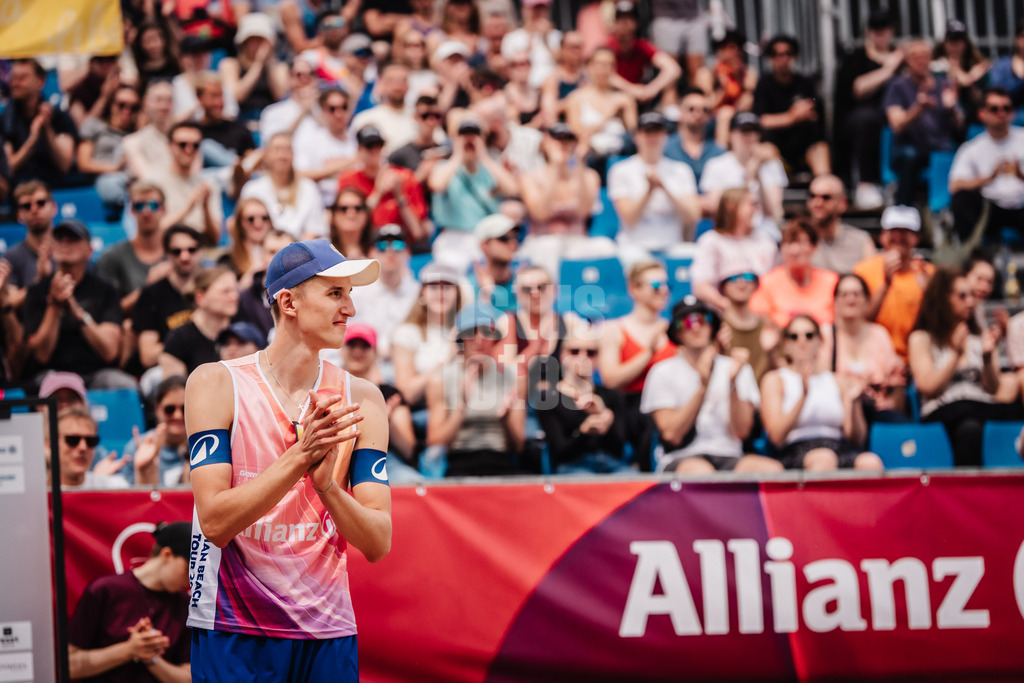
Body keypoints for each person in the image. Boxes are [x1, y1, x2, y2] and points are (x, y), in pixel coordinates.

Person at [186, 238, 390, 680]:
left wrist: (328, 487)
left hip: (327, 630)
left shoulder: (364, 398)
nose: (350, 309)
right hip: (234, 625)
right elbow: (216, 522)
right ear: (289, 301)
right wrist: (302, 456)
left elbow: (378, 542)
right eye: (336, 292)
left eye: (350, 294)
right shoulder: (215, 383)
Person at [642, 298, 783, 474]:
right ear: (676, 332)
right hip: (681, 457)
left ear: (713, 326)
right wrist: (702, 388)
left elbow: (741, 432)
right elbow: (672, 435)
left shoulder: (737, 367)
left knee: (773, 470)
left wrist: (732, 384)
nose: (695, 326)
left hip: (730, 455)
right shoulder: (662, 372)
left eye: (702, 319)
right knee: (702, 474)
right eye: (686, 321)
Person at [909, 267, 1021, 467]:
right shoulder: (921, 338)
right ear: (943, 298)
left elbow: (993, 389)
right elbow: (928, 387)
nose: (970, 301)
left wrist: (987, 357)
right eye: (962, 296)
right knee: (969, 426)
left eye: (971, 295)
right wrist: (955, 353)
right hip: (944, 410)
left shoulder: (980, 337)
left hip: (980, 407)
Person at [68, 521, 191, 679]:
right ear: (167, 555)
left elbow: (189, 677)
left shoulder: (185, 605)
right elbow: (69, 665)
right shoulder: (105, 591)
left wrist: (151, 658)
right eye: (190, 568)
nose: (192, 579)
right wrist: (129, 650)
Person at [760, 314, 883, 472]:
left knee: (871, 462)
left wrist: (854, 404)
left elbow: (857, 439)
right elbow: (776, 436)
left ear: (820, 341)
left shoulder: (838, 381)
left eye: (809, 335)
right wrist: (803, 396)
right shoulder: (775, 379)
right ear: (786, 344)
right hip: (795, 450)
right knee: (824, 459)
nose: (802, 341)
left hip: (837, 446)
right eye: (794, 336)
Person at [23, 219, 136, 389]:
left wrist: (78, 313)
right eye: (59, 239)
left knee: (125, 385)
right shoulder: (37, 291)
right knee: (38, 385)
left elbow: (109, 352)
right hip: (52, 374)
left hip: (95, 374)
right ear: (52, 249)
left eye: (73, 239)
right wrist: (54, 306)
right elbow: (41, 356)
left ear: (89, 250)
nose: (65, 244)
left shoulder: (106, 289)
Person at [426, 301, 525, 477]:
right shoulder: (441, 379)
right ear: (462, 339)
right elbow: (435, 439)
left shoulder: (512, 376)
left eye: (486, 332)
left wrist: (505, 418)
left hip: (501, 460)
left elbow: (518, 446)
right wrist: (461, 406)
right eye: (472, 332)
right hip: (460, 460)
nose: (479, 339)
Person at [598, 261, 676, 468]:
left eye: (667, 285)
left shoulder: (674, 329)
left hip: (671, 407)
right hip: (632, 409)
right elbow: (611, 379)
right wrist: (648, 353)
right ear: (635, 289)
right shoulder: (614, 329)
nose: (664, 291)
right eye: (656, 285)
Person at [533, 318, 631, 474]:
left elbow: (619, 449)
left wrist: (602, 414)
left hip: (613, 465)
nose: (583, 357)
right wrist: (584, 432)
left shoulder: (612, 396)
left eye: (591, 353)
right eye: (575, 351)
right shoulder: (549, 399)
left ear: (598, 358)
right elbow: (560, 453)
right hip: (573, 467)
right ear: (562, 355)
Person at [518, 123, 615, 278]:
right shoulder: (529, 177)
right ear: (545, 144)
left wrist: (579, 162)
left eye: (569, 140)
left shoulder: (588, 176)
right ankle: (548, 297)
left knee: (606, 246)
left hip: (577, 241)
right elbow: (540, 213)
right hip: (540, 242)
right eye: (558, 140)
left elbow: (584, 211)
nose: (564, 144)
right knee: (550, 247)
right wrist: (556, 167)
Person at [608, 111, 701, 261]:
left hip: (672, 245)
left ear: (665, 136)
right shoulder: (620, 170)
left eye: (657, 132)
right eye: (647, 132)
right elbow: (629, 219)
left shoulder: (681, 170)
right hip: (634, 246)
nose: (652, 137)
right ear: (636, 136)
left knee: (695, 254)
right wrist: (649, 191)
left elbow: (692, 217)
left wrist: (665, 188)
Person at [429, 116, 518, 269]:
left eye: (474, 135)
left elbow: (512, 189)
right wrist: (458, 153)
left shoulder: (490, 168)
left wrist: (483, 155)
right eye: (463, 135)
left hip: (485, 238)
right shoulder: (444, 166)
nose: (469, 139)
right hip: (453, 239)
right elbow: (437, 184)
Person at [834, 8, 901, 208]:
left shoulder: (901, 56)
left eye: (883, 28)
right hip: (861, 121)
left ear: (892, 30)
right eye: (874, 28)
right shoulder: (857, 56)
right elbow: (858, 89)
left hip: (897, 115)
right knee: (868, 120)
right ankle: (866, 183)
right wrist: (889, 69)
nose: (879, 32)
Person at [883, 39, 963, 206]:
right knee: (909, 156)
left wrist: (952, 109)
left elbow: (960, 126)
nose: (921, 61)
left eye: (925, 56)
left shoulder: (945, 85)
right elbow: (896, 125)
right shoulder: (897, 86)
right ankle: (903, 212)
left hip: (940, 148)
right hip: (910, 148)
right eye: (915, 57)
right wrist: (918, 109)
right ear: (907, 60)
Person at [853, 205, 934, 361]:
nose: (898, 237)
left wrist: (928, 293)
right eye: (892, 231)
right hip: (873, 357)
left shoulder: (929, 273)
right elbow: (858, 322)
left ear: (916, 238)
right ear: (882, 236)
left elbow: (938, 325)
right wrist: (886, 285)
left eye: (905, 232)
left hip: (917, 358)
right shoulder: (863, 270)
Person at [339, 322, 419, 480]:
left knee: (410, 480)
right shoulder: (329, 389)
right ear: (342, 350)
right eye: (352, 344)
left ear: (375, 352)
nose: (357, 351)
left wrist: (386, 422)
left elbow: (408, 449)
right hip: (337, 457)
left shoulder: (389, 394)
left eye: (365, 346)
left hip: (383, 460)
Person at [949, 87, 1024, 243]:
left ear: (1013, 112)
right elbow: (955, 186)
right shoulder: (972, 148)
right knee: (962, 199)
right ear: (982, 114)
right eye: (994, 109)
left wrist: (1020, 175)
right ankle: (973, 259)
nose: (1001, 113)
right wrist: (989, 177)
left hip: (1020, 204)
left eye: (1006, 108)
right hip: (989, 208)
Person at [831, 273, 907, 423]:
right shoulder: (825, 334)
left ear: (867, 301)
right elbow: (822, 378)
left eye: (856, 294)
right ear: (835, 302)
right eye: (844, 294)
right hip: (841, 411)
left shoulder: (879, 333)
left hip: (879, 408)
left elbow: (894, 377)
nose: (850, 299)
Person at [338, 125, 430, 247]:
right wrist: (377, 193)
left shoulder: (405, 177)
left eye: (379, 145)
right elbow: (349, 226)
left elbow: (417, 231)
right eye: (369, 146)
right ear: (359, 150)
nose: (375, 151)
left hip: (401, 246)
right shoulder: (349, 180)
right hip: (366, 246)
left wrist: (399, 195)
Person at [699, 112, 788, 238]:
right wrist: (749, 177)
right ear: (731, 135)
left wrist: (758, 176)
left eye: (753, 132)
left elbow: (773, 212)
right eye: (743, 131)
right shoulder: (716, 165)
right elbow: (718, 210)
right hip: (730, 234)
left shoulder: (773, 165)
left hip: (765, 234)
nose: (749, 137)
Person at [691, 188, 779, 311]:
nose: (756, 209)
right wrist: (731, 309)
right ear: (731, 207)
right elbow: (701, 287)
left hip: (762, 314)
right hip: (724, 315)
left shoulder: (765, 241)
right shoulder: (711, 241)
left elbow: (776, 282)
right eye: (751, 204)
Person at [752, 35, 829, 176]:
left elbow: (814, 114)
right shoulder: (764, 85)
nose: (783, 59)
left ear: (795, 56)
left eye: (788, 53)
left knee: (820, 148)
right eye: (778, 54)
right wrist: (792, 116)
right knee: (764, 150)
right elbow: (761, 120)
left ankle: (824, 190)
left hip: (804, 144)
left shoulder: (805, 83)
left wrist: (793, 116)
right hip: (776, 145)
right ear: (771, 58)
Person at [391, 262, 462, 407]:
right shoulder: (407, 333)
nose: (441, 292)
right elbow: (406, 393)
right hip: (424, 413)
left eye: (447, 286)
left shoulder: (462, 330)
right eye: (434, 286)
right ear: (422, 293)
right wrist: (446, 359)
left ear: (457, 294)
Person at [134, 225, 203, 371]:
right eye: (177, 251)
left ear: (201, 251)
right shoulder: (152, 294)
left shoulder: (214, 289)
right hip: (167, 367)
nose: (184, 257)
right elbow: (147, 356)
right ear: (167, 254)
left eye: (191, 250)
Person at [749, 218, 839, 329]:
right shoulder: (766, 282)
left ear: (814, 247)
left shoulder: (831, 281)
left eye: (801, 243)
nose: (794, 250)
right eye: (789, 243)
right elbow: (759, 322)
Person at [97, 182, 171, 315]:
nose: (146, 212)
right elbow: (108, 313)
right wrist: (148, 286)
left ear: (164, 209)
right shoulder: (112, 257)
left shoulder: (180, 252)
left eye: (153, 205)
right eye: (139, 206)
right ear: (131, 210)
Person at [349, 225, 419, 362]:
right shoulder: (357, 293)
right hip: (366, 363)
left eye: (398, 245)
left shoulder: (418, 293)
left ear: (407, 253)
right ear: (371, 253)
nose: (390, 251)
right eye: (382, 246)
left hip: (408, 363)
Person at [1, 59, 76, 186]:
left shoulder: (60, 118)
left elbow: (64, 165)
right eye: (13, 78)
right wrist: (33, 139)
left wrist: (47, 130)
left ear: (40, 81)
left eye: (22, 78)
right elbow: (8, 168)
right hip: (20, 191)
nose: (15, 83)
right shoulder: (5, 120)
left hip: (54, 188)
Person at [144, 121, 222, 245]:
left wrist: (205, 207)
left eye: (195, 145)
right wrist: (187, 209)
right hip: (167, 250)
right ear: (169, 146)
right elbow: (152, 233)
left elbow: (214, 239)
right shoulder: (153, 182)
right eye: (182, 144)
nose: (189, 150)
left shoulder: (208, 185)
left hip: (200, 251)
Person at [240, 133, 328, 240]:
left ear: (293, 155)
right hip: (261, 252)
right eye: (277, 149)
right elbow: (245, 229)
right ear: (266, 154)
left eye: (287, 150)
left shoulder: (308, 188)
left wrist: (293, 254)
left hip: (300, 252)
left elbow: (314, 230)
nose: (282, 155)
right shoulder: (252, 189)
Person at [160, 266, 238, 378]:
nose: (234, 297)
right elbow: (174, 390)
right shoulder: (179, 339)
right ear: (200, 297)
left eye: (235, 290)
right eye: (225, 292)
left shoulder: (242, 331)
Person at [76, 84, 140, 215]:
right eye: (122, 105)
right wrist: (115, 167)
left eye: (134, 107)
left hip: (133, 179)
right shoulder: (94, 125)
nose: (127, 111)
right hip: (107, 177)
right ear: (112, 105)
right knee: (112, 184)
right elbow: (83, 163)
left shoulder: (138, 135)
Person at [565, 47, 637, 161]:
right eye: (601, 64)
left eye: (610, 65)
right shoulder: (576, 98)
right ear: (590, 66)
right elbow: (577, 136)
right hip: (590, 157)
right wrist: (607, 116)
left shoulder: (624, 100)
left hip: (619, 156)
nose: (605, 69)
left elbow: (635, 137)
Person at [605, 1, 682, 105]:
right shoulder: (608, 47)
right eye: (620, 19)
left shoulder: (642, 46)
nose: (624, 23)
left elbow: (673, 69)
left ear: (635, 23)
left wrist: (652, 89)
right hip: (616, 96)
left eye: (628, 19)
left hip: (643, 96)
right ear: (614, 23)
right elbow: (603, 74)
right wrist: (632, 89)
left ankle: (669, 117)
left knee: (670, 88)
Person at [122, 375, 191, 487]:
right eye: (170, 409)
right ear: (157, 408)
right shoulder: (136, 447)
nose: (178, 415)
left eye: (184, 409)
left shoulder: (202, 447)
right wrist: (145, 470)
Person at [293, 87, 359, 206]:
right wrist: (348, 163)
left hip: (354, 205)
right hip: (321, 204)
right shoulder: (311, 140)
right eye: (332, 109)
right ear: (323, 111)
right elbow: (299, 175)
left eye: (344, 107)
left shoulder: (359, 139)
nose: (339, 114)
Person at [220, 12, 289, 123]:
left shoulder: (279, 67)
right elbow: (236, 97)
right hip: (241, 121)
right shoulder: (230, 64)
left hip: (272, 121)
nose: (258, 44)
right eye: (253, 39)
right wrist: (258, 64)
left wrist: (268, 63)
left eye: (262, 40)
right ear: (244, 42)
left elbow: (281, 96)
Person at [806, 174, 876, 273]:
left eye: (826, 197)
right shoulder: (799, 241)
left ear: (842, 203)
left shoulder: (861, 241)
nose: (817, 202)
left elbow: (872, 281)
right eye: (812, 196)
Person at [718, 269, 778, 384]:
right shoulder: (714, 327)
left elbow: (783, 374)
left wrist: (770, 353)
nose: (741, 283)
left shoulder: (769, 325)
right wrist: (719, 351)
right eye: (733, 278)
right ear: (723, 286)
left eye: (748, 276)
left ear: (756, 284)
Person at [3, 180, 56, 310]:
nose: (34, 209)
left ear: (54, 208)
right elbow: (9, 303)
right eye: (26, 206)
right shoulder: (11, 257)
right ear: (19, 215)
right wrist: (40, 280)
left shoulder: (69, 248)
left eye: (41, 203)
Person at [350, 62, 418, 154]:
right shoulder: (365, 119)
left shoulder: (421, 117)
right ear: (382, 83)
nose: (397, 86)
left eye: (402, 81)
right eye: (391, 81)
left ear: (409, 85)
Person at [54, 407, 130, 489]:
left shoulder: (115, 487)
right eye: (73, 440)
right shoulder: (39, 489)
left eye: (90, 441)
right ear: (49, 444)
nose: (83, 447)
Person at [933, 19, 990, 126]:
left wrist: (971, 84)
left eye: (959, 40)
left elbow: (983, 99)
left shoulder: (977, 66)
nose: (955, 45)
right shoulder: (936, 67)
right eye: (951, 41)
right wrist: (969, 77)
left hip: (973, 121)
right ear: (944, 43)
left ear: (966, 43)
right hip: (943, 124)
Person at [664, 87, 726, 186]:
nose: (698, 114)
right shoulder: (665, 148)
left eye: (704, 110)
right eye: (691, 109)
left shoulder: (718, 152)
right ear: (680, 112)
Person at [709, 30, 757, 148]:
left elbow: (747, 101)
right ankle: (721, 153)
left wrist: (737, 78)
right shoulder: (709, 73)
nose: (733, 51)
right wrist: (725, 87)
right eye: (728, 47)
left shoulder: (748, 73)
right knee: (725, 113)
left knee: (747, 98)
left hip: (738, 115)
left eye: (737, 47)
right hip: (714, 118)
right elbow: (709, 105)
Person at [123, 81, 176, 183]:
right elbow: (147, 179)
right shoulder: (131, 142)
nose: (164, 106)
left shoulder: (188, 139)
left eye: (169, 100)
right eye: (158, 100)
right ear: (145, 103)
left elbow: (193, 176)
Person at [470, 214, 520, 313]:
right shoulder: (469, 287)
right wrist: (485, 295)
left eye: (515, 237)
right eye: (503, 238)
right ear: (484, 245)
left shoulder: (522, 283)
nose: (512, 242)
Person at [222, 197, 274, 290]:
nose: (258, 223)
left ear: (270, 222)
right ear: (240, 223)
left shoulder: (281, 252)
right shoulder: (228, 260)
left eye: (264, 218)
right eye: (251, 219)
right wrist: (253, 272)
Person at [539, 31, 586, 125]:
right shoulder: (553, 78)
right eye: (572, 47)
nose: (576, 51)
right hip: (564, 127)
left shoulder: (588, 75)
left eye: (579, 47)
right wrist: (572, 102)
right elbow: (549, 112)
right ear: (562, 49)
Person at [131, 20, 181, 91]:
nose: (153, 45)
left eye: (155, 39)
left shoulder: (178, 63)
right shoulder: (137, 70)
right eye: (147, 40)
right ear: (140, 44)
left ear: (164, 39)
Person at [329, 188, 374, 259]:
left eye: (358, 208)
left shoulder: (380, 250)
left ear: (367, 213)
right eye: (344, 208)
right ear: (333, 215)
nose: (351, 213)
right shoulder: (323, 252)